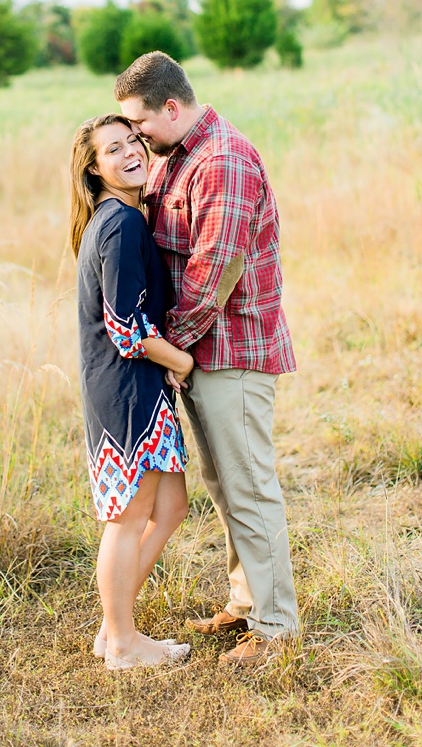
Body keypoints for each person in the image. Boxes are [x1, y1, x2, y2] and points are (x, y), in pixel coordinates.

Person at [114, 51, 300, 668]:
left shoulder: (223, 161)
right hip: (198, 352)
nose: (137, 139)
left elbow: (215, 271)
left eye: (140, 125)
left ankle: (277, 630)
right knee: (225, 486)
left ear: (173, 107)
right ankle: (247, 606)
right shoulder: (180, 154)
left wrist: (174, 350)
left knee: (250, 487)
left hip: (230, 351)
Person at [67, 114, 195, 670]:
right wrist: (182, 358)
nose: (129, 154)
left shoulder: (121, 217)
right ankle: (122, 642)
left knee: (170, 505)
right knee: (129, 514)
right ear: (96, 170)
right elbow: (126, 328)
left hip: (137, 386)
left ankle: (112, 626)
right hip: (126, 393)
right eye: (112, 150)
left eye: (133, 142)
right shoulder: (120, 224)